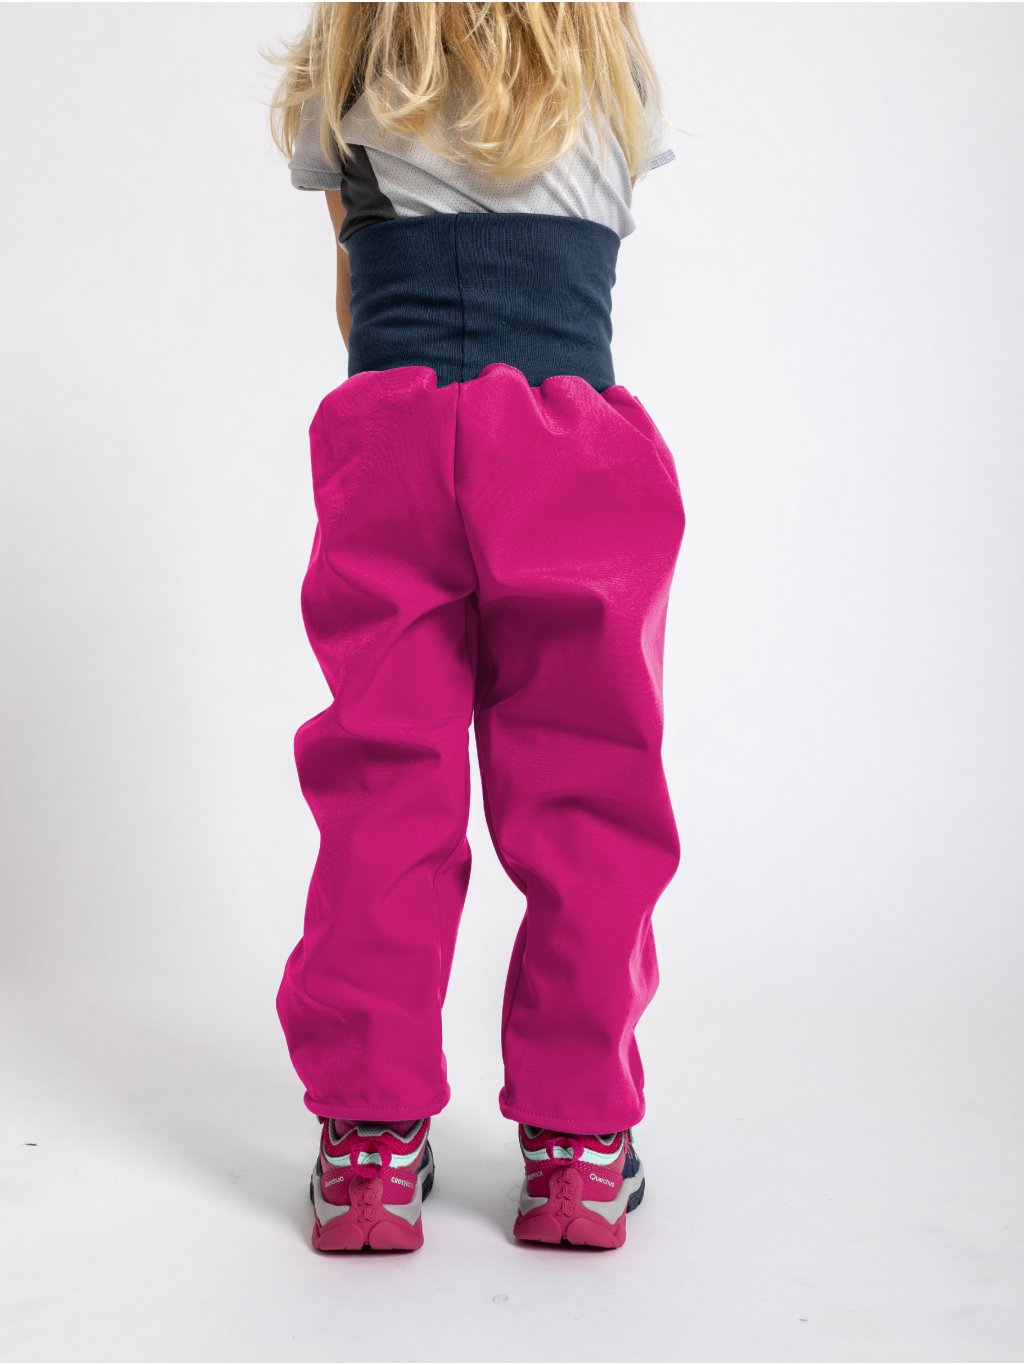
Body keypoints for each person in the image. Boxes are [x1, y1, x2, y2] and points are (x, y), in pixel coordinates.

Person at [268, 0, 684, 1252]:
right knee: (588, 795)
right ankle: (576, 1147)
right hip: (572, 451)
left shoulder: (346, 81)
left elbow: (356, 303)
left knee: (383, 784)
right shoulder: (612, 81)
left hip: (394, 442)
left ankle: (369, 1149)